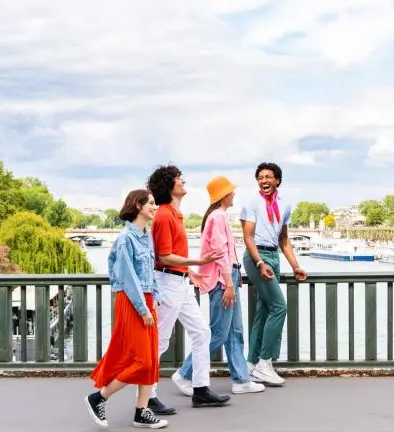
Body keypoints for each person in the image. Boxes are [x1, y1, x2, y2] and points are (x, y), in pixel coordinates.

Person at [146, 164, 230, 413]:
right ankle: (148, 397)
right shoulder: (163, 215)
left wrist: (190, 272)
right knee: (159, 342)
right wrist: (199, 262)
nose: (183, 181)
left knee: (202, 333)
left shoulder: (175, 214)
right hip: (168, 284)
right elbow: (163, 256)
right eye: (178, 178)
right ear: (169, 185)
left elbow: (173, 256)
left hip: (179, 282)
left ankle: (201, 390)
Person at [174, 176, 266, 394]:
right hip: (222, 280)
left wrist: (232, 279)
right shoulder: (218, 217)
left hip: (227, 277)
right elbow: (220, 253)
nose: (234, 193)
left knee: (235, 331)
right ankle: (184, 373)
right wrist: (229, 283)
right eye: (231, 191)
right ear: (223, 195)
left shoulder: (217, 216)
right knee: (219, 333)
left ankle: (241, 380)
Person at [84, 189, 167, 429]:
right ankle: (99, 397)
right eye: (151, 203)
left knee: (150, 360)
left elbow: (150, 274)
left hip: (147, 300)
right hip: (132, 302)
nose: (154, 207)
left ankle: (142, 412)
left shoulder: (146, 236)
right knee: (139, 360)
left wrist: (156, 300)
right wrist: (143, 308)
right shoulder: (125, 239)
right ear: (138, 205)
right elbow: (128, 278)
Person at [240, 162, 307, 386]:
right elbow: (248, 237)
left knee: (264, 310)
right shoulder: (252, 203)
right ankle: (265, 363)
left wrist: (295, 265)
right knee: (280, 306)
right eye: (260, 177)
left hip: (274, 257)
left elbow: (283, 240)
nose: (264, 181)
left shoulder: (285, 204)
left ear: (277, 180)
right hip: (256, 256)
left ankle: (251, 363)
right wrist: (259, 262)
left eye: (268, 177)